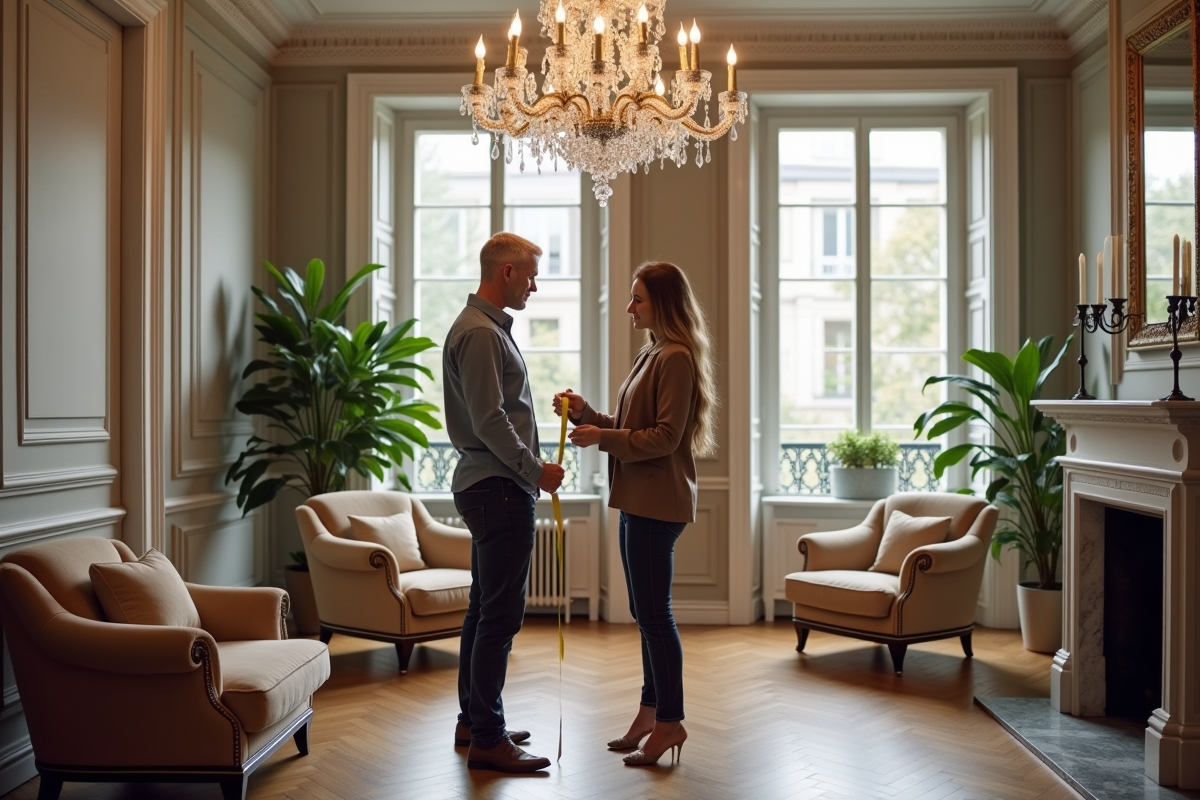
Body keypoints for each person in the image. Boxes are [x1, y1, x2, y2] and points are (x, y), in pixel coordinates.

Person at [554, 261, 718, 767]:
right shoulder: (654, 354)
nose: (629, 307)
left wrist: (603, 437)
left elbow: (665, 438)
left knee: (655, 616)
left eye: (638, 300)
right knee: (645, 615)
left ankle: (671, 722)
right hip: (637, 500)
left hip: (655, 504)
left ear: (661, 304)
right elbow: (632, 427)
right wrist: (587, 415)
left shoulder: (676, 358)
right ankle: (651, 714)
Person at [443, 232, 565, 773]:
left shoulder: (483, 330)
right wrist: (537, 470)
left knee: (483, 609)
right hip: (498, 486)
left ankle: (476, 722)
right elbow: (491, 420)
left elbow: (495, 413)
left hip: (490, 484)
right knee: (500, 615)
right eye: (531, 275)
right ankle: (489, 739)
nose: (535, 286)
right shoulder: (480, 333)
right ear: (507, 272)